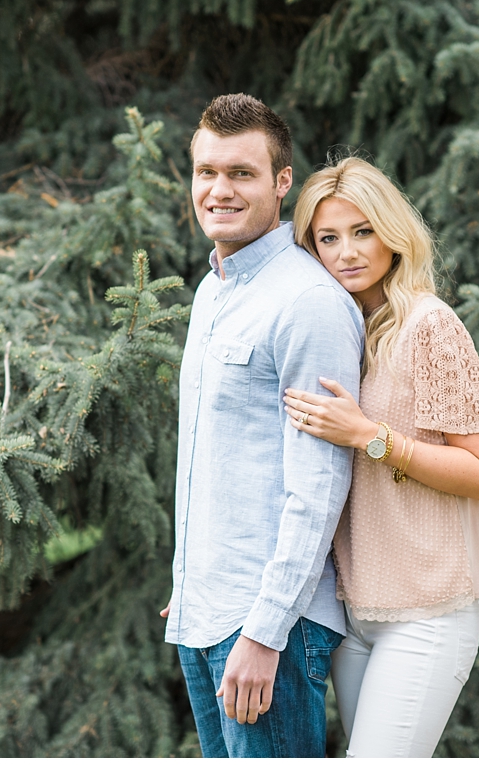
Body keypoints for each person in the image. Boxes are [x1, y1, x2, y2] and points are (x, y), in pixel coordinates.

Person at [281, 158, 479, 757]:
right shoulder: (337, 329)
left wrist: (369, 436)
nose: (346, 252)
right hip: (353, 615)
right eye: (327, 238)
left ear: (392, 233)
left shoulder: (430, 325)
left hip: (427, 614)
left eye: (362, 231)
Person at [160, 93, 362, 757]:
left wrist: (266, 630)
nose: (219, 189)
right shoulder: (211, 291)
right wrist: (191, 581)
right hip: (204, 613)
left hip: (270, 626)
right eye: (206, 172)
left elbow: (318, 486)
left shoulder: (307, 303)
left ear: (282, 182)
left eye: (241, 173)